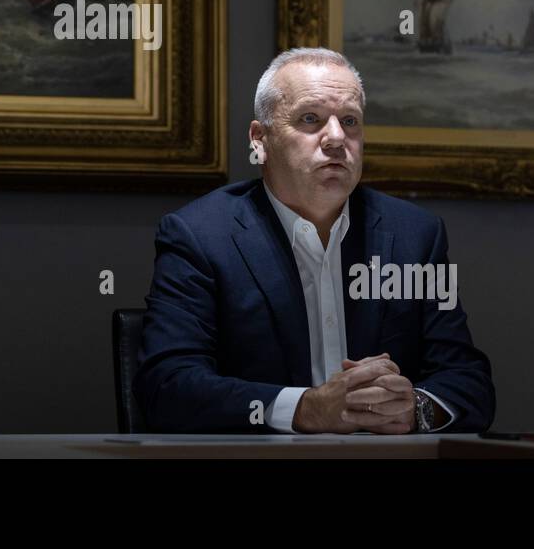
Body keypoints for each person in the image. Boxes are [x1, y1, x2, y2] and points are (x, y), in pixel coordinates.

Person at [135, 47, 494, 434]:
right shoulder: (200, 237)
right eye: (311, 119)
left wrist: (415, 408)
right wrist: (305, 409)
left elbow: (469, 383)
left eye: (351, 121)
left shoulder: (415, 237)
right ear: (260, 139)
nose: (337, 138)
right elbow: (167, 387)